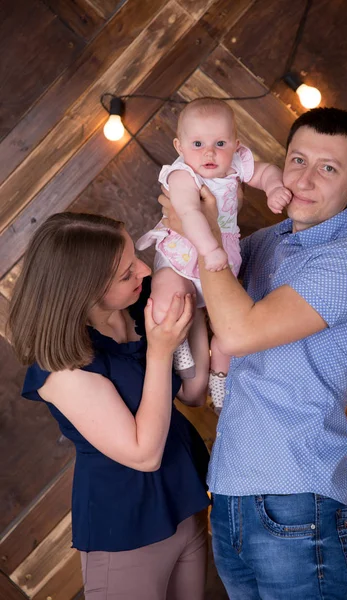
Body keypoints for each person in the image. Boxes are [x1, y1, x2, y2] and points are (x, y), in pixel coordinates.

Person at [160, 107, 347, 599]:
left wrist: (198, 230)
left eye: (328, 168)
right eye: (297, 160)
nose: (304, 180)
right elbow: (207, 313)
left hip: (297, 498)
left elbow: (240, 333)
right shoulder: (263, 243)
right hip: (228, 493)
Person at [7, 212, 211, 600]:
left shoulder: (138, 307)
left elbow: (193, 392)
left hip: (185, 505)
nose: (143, 269)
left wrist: (192, 302)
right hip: (127, 530)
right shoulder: (62, 369)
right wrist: (162, 349)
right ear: (83, 292)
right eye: (125, 273)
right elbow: (144, 453)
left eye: (134, 256)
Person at [137, 97, 291, 413]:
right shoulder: (182, 176)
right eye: (198, 144)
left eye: (220, 143)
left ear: (236, 145)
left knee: (228, 332)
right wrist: (209, 249)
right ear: (179, 147)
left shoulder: (235, 164)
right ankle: (177, 339)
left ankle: (220, 379)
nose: (209, 153)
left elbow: (266, 172)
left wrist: (274, 187)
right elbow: (191, 213)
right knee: (168, 291)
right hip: (183, 256)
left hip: (222, 260)